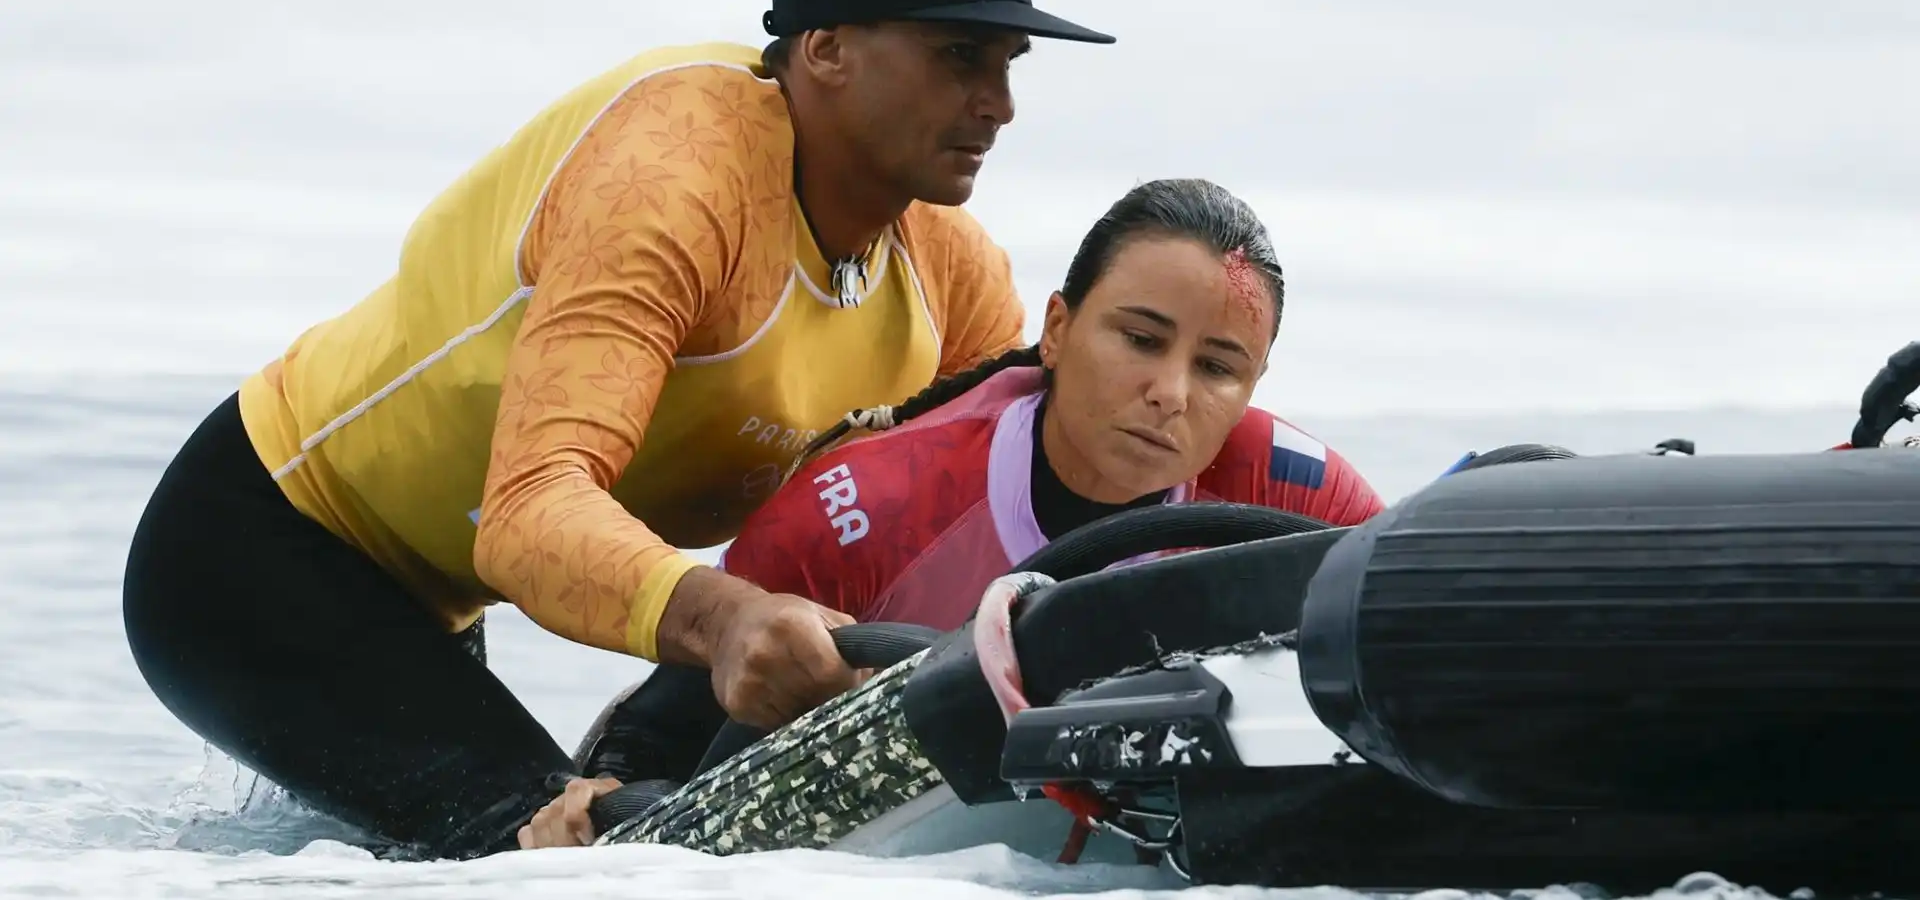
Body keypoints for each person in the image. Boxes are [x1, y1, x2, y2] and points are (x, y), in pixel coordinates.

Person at [119, 0, 1115, 862]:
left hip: (435, 608)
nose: (1000, 105)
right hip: (264, 552)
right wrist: (726, 627)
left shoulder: (951, 274)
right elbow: (530, 509)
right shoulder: (674, 179)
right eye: (960, 57)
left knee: (586, 826)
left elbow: (986, 517)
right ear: (827, 47)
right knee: (554, 847)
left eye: (1009, 64)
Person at [519, 176, 1387, 849]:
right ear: (1056, 329)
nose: (1168, 394)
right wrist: (597, 805)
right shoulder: (871, 503)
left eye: (1218, 367)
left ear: (1253, 388)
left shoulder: (1297, 496)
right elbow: (668, 724)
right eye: (1140, 339)